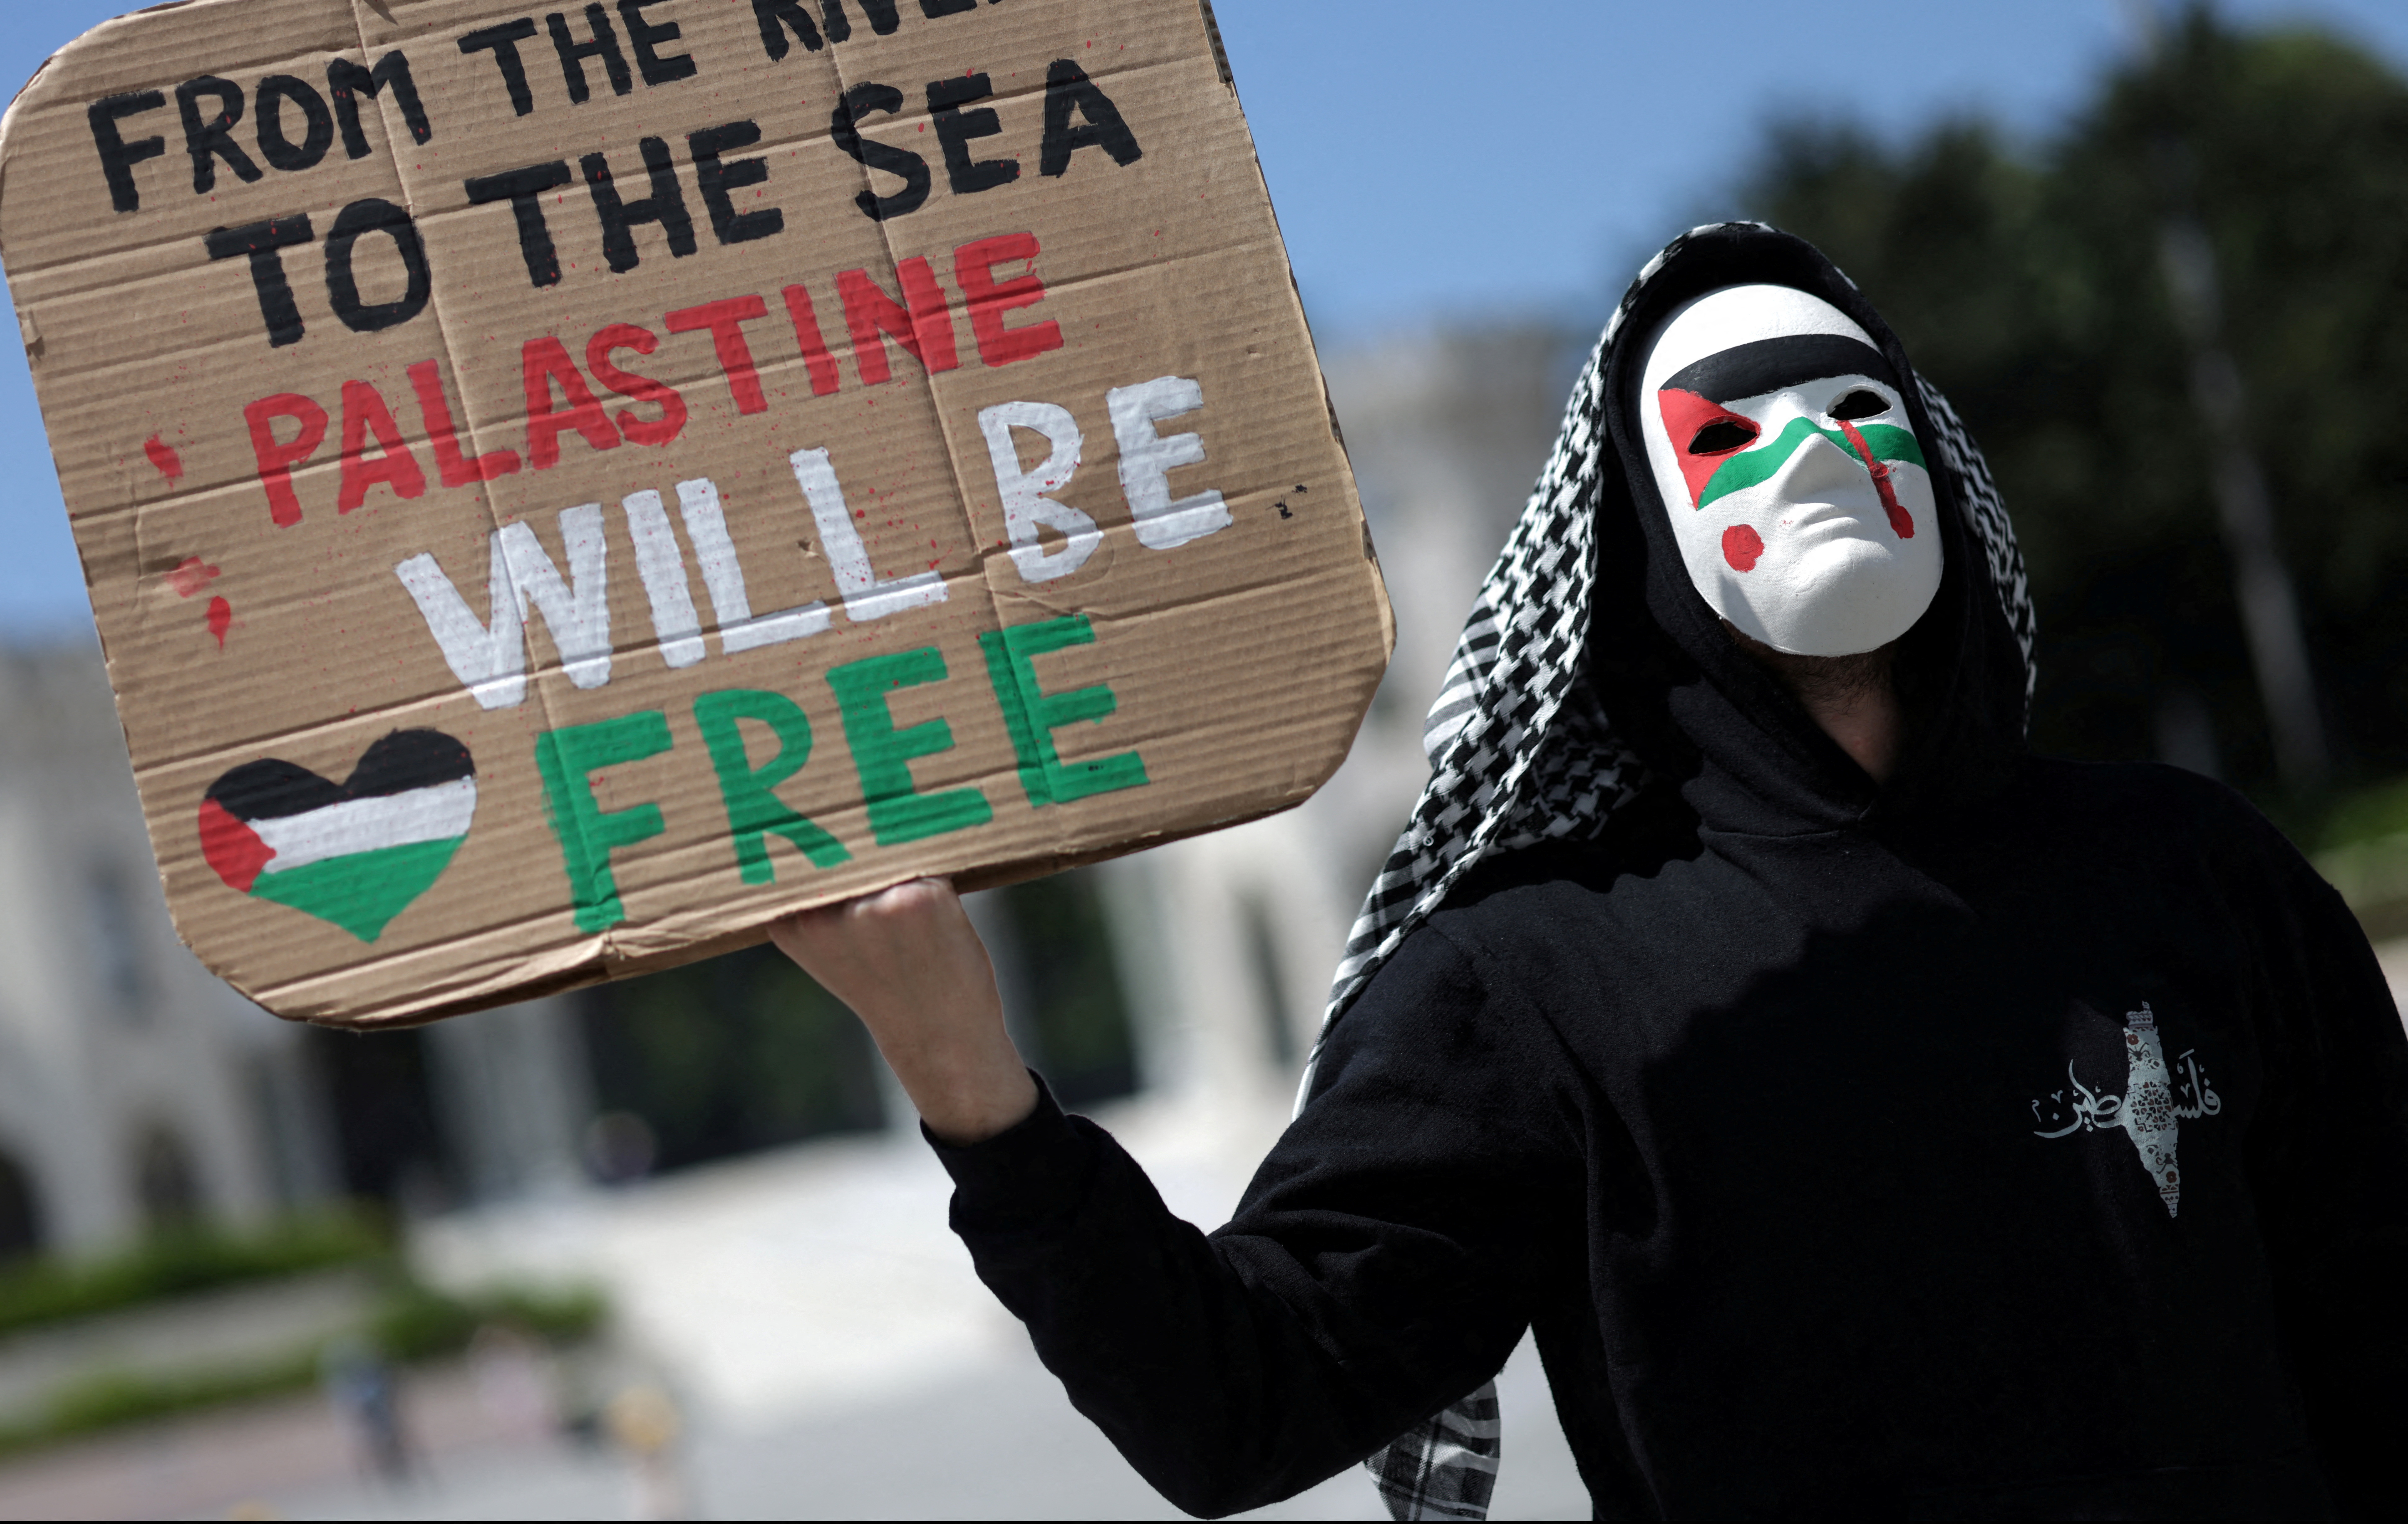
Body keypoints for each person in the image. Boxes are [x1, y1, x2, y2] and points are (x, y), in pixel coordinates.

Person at [769, 223, 2408, 1520]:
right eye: (1730, 434)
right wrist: (970, 1084)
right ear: (1643, 532)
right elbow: (1241, 1400)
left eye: (1856, 413)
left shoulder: (2192, 875)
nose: (1812, 460)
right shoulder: (1531, 984)